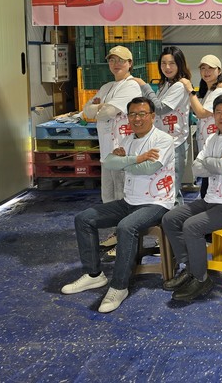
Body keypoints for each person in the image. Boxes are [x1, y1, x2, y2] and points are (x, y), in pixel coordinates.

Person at [62, 97, 175, 313]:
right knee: (84, 218)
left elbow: (149, 169)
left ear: (152, 116)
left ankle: (119, 287)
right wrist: (137, 159)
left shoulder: (163, 140)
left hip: (156, 203)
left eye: (142, 114)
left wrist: (125, 162)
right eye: (132, 114)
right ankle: (94, 274)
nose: (137, 119)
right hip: (129, 201)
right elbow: (109, 162)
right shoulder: (128, 139)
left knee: (125, 227)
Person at [161, 94, 222, 302]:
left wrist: (212, 163)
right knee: (170, 218)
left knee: (192, 226)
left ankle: (201, 279)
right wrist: (216, 162)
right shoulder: (212, 138)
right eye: (218, 112)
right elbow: (196, 167)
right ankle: (190, 268)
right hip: (211, 199)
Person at [82, 45, 141, 249]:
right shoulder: (107, 87)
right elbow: (87, 111)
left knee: (123, 196)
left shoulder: (131, 86)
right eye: (112, 60)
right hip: (107, 151)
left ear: (130, 63)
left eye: (121, 60)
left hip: (122, 151)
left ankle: (128, 240)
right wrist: (101, 107)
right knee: (108, 197)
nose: (116, 64)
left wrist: (100, 107)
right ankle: (117, 234)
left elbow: (108, 112)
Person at [133, 46, 190, 204]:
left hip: (175, 143)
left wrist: (145, 86)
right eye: (163, 63)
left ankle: (175, 217)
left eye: (172, 63)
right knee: (165, 185)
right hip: (163, 142)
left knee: (172, 187)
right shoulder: (166, 84)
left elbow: (160, 108)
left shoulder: (179, 86)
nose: (167, 67)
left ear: (179, 64)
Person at [181, 54, 222, 198]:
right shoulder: (208, 91)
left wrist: (190, 90)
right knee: (208, 183)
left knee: (211, 185)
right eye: (203, 68)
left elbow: (201, 113)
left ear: (219, 71)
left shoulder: (219, 91)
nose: (206, 72)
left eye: (211, 68)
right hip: (207, 143)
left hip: (215, 146)